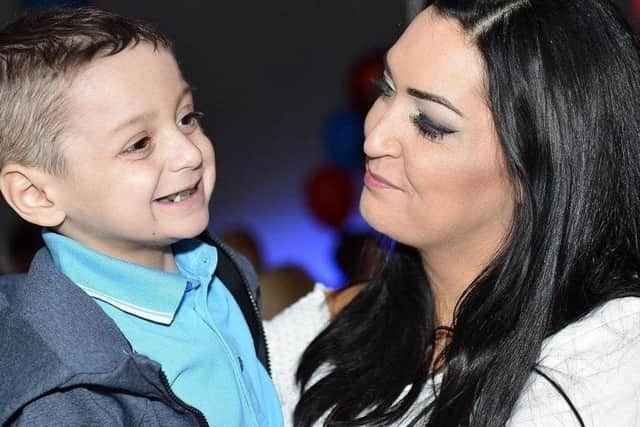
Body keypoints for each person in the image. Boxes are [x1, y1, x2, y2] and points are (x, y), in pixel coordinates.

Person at [265, 0, 640, 425]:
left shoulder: (608, 349)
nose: (374, 138)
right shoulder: (329, 326)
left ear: (538, 172)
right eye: (386, 89)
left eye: (429, 124)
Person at [0, 7, 282, 426]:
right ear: (37, 194)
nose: (190, 153)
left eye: (186, 118)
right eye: (139, 144)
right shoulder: (62, 399)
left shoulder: (223, 271)